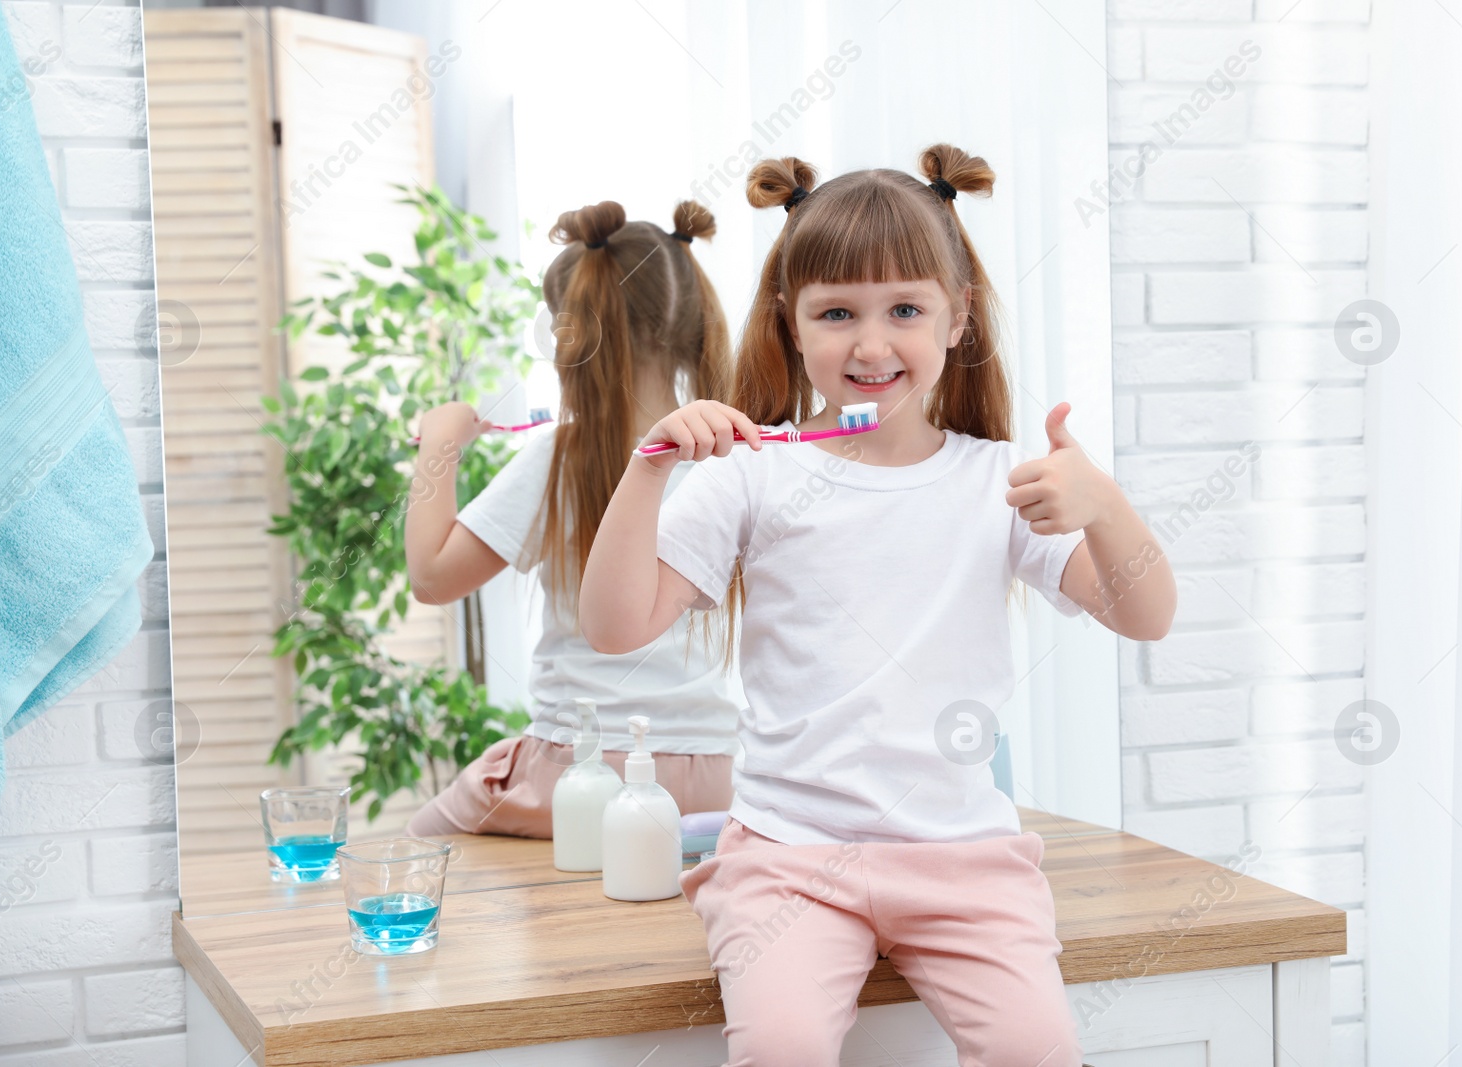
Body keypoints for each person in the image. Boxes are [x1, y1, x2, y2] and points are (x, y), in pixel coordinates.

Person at [579, 145, 1177, 1067]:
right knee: (778, 1050)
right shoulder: (752, 473)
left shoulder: (997, 482)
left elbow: (1145, 616)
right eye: (837, 313)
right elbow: (614, 627)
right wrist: (646, 469)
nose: (870, 343)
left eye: (905, 309)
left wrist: (1104, 506)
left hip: (965, 862)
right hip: (789, 856)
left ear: (957, 316)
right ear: (791, 322)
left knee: (1038, 1053)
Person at [402, 199, 742, 838]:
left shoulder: (561, 457)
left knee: (422, 840)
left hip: (573, 774)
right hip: (712, 781)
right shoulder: (736, 460)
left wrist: (439, 445)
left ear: (571, 337)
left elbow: (431, 578)